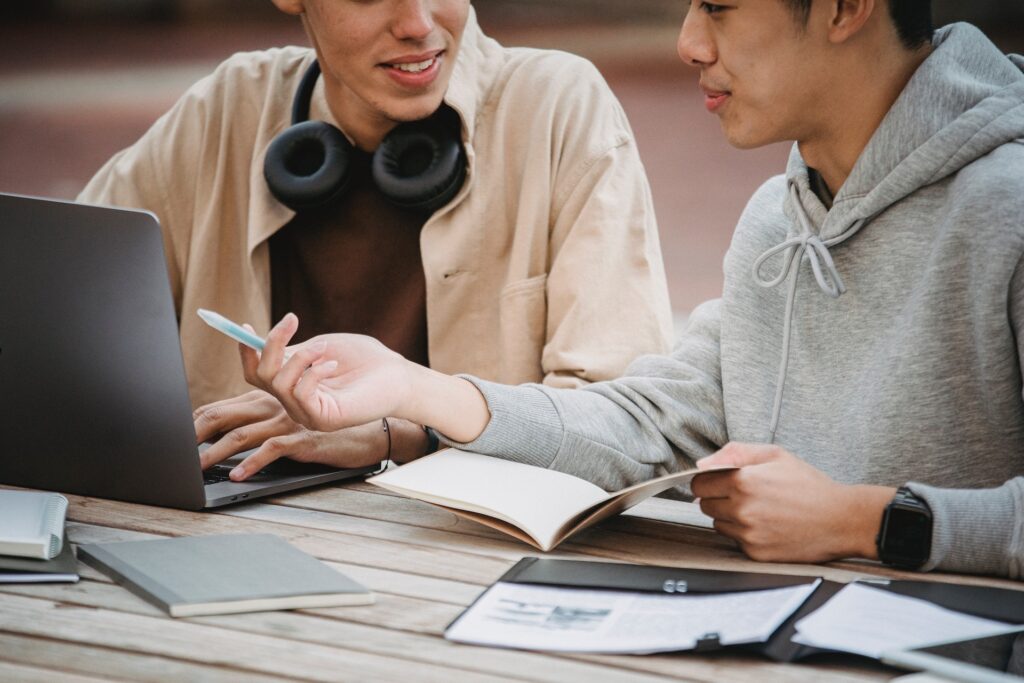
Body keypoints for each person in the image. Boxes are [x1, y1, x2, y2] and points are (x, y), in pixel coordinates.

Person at [240, 0, 1024, 579]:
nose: (687, 42)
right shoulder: (776, 224)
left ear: (846, 9)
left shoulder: (1009, 207)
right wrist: (414, 391)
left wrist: (870, 520)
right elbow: (646, 421)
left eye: (717, 7)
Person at [78, 1, 674, 472]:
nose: (418, 24)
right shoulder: (225, 107)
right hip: (229, 533)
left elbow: (620, 431)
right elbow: (51, 315)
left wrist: (403, 432)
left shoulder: (558, 107)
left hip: (461, 555)